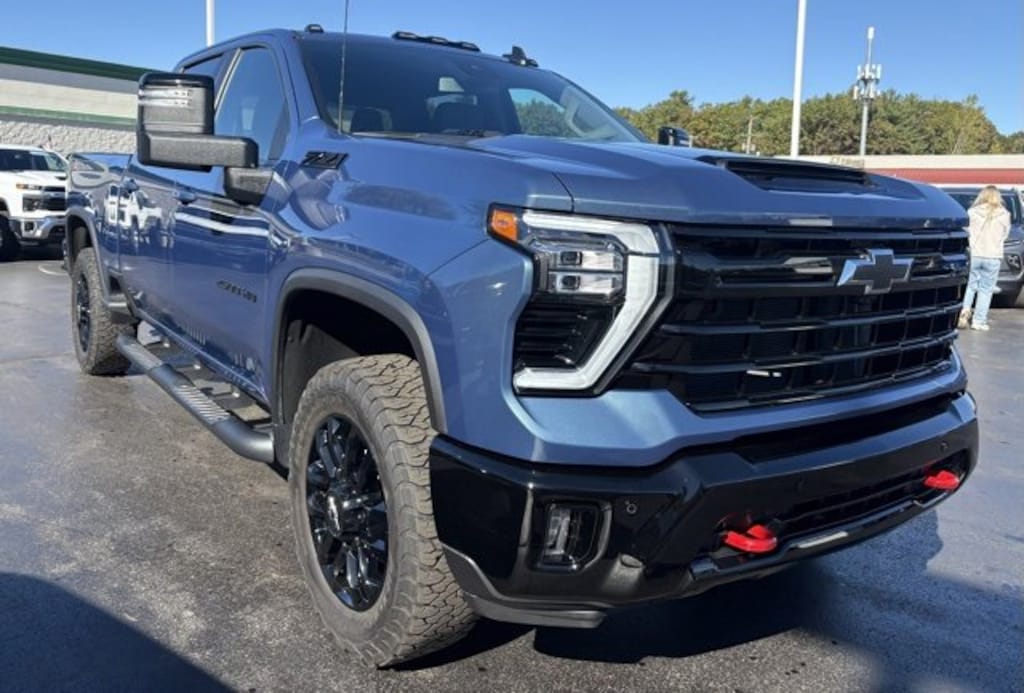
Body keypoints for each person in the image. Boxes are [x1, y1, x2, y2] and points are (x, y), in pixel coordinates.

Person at [958, 186, 1011, 331]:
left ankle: (964, 313)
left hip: (975, 253)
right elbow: (1005, 235)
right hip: (993, 255)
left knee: (971, 286)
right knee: (986, 290)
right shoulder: (1004, 214)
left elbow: (966, 231)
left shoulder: (972, 212)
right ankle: (978, 321)